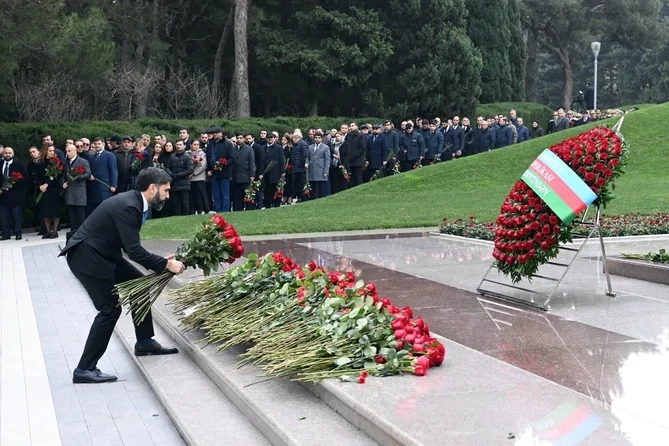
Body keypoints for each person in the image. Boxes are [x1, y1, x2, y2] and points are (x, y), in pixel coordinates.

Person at [59, 168, 185, 384]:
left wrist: (162, 262)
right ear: (153, 188)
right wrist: (166, 264)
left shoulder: (134, 202)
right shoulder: (129, 206)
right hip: (87, 257)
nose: (167, 195)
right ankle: (84, 368)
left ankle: (144, 341)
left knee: (141, 286)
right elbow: (134, 251)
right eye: (166, 190)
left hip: (103, 253)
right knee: (109, 309)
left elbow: (130, 248)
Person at [0, 147, 27, 240]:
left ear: (13, 154)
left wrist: (13, 184)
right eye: (6, 153)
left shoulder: (19, 165)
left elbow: (25, 179)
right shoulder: (0, 164)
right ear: (3, 154)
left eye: (9, 153)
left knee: (17, 215)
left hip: (15, 195)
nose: (7, 155)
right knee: (4, 215)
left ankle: (18, 233)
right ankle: (5, 233)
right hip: (2, 195)